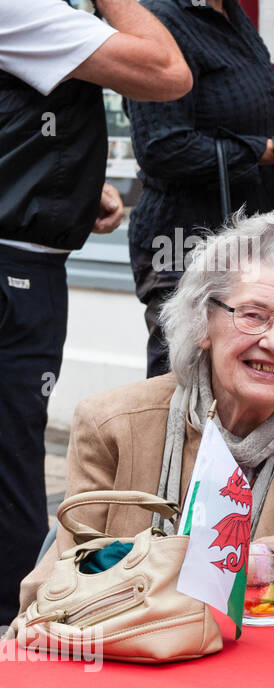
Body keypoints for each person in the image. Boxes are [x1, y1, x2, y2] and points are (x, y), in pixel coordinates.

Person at [15, 210, 274, 616]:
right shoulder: (112, 423)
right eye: (253, 315)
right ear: (204, 323)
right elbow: (52, 585)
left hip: (265, 657)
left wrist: (246, 562)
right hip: (138, 652)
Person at [0, 0, 191, 624]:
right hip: (14, 272)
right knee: (14, 458)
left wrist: (69, 187)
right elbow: (166, 69)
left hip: (27, 263)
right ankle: (19, 626)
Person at [125, 0, 274, 378]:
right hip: (187, 244)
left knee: (251, 388)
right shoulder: (159, 19)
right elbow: (162, 147)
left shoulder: (231, 14)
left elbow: (235, 109)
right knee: (184, 391)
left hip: (253, 245)